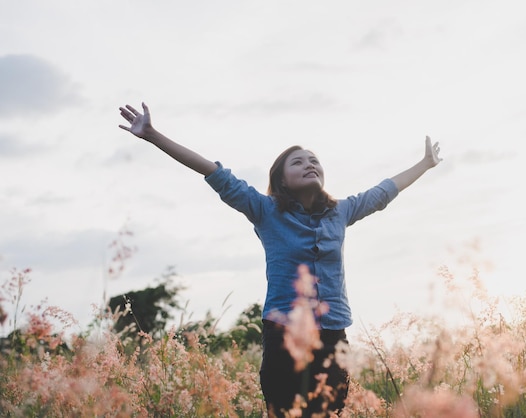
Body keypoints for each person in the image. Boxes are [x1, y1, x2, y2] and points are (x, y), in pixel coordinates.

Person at [118, 102, 442, 417]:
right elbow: (213, 172)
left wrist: (425, 164)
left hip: (333, 334)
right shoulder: (265, 211)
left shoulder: (340, 212)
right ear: (282, 179)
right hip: (284, 333)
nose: (309, 164)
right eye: (298, 162)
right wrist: (153, 135)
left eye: (314, 160)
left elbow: (383, 191)